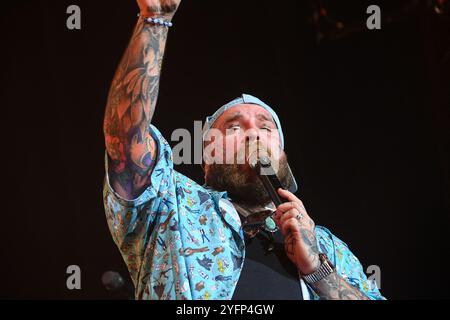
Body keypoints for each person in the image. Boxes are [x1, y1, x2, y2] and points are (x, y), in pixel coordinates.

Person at [102, 0, 385, 300]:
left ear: (283, 156)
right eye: (234, 128)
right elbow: (125, 136)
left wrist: (317, 270)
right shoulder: (171, 205)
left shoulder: (325, 246)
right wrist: (155, 19)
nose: (253, 133)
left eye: (266, 128)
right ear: (208, 158)